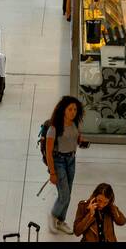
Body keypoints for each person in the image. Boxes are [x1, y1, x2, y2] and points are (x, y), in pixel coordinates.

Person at [44, 96, 85, 235]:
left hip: (71, 161)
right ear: (63, 110)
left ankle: (61, 221)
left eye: (75, 109)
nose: (73, 112)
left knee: (68, 193)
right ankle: (53, 215)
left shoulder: (76, 124)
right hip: (59, 161)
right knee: (64, 195)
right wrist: (52, 173)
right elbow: (49, 153)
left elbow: (76, 140)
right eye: (70, 109)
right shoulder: (54, 129)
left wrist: (80, 141)